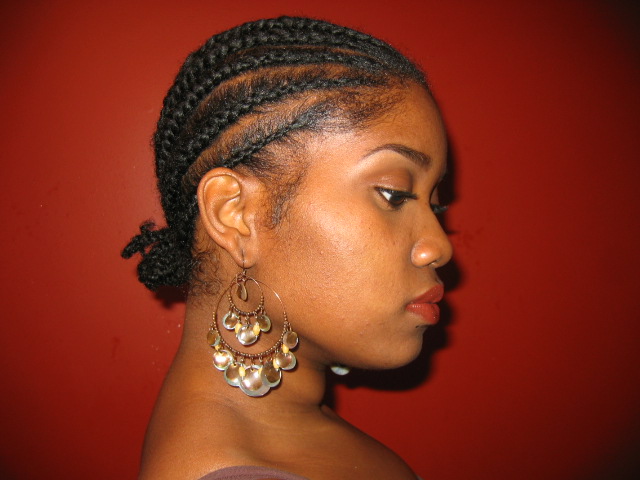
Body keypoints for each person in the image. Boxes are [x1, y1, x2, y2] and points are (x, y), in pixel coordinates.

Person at [122, 16, 452, 480]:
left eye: (435, 205)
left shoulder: (287, 435)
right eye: (393, 194)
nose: (438, 247)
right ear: (235, 214)